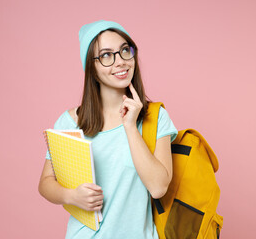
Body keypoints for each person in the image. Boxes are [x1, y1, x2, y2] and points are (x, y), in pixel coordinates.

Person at [38, 20, 178, 239]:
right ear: (91, 67)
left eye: (124, 51)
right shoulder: (70, 121)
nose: (120, 62)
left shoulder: (155, 117)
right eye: (106, 55)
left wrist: (130, 126)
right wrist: (72, 196)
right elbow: (45, 183)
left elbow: (159, 187)